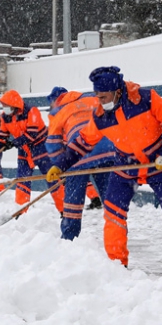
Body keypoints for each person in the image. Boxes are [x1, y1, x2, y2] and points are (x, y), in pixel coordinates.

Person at [46, 66, 162, 273]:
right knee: (113, 214)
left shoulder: (146, 99)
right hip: (125, 167)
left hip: (159, 165)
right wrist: (60, 165)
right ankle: (117, 265)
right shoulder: (100, 116)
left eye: (104, 97)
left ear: (118, 91)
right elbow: (83, 142)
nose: (100, 102)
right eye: (97, 96)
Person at [46, 86, 116, 240]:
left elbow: (52, 143)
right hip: (107, 151)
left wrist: (60, 166)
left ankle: (69, 239)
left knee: (73, 203)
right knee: (111, 200)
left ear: (57, 101)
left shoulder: (59, 111)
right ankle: (117, 237)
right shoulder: (92, 98)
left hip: (78, 154)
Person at [0, 89, 64, 215]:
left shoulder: (31, 111)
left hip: (41, 148)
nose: (4, 108)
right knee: (22, 180)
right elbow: (2, 135)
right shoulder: (5, 117)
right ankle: (21, 210)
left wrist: (13, 143)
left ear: (14, 104)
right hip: (24, 151)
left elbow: (32, 134)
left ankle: (65, 210)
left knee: (52, 178)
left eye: (6, 106)